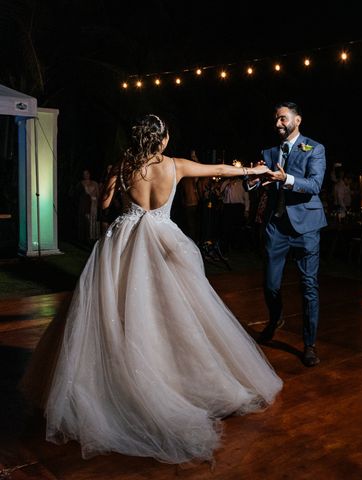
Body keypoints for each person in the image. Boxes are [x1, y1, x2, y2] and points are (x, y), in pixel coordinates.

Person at [20, 114, 281, 465]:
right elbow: (217, 168)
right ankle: (174, 380)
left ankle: (126, 382)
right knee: (171, 314)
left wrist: (114, 177)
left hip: (122, 246)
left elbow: (108, 205)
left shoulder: (124, 165)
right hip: (164, 242)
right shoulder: (176, 165)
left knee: (120, 313)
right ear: (161, 140)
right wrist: (254, 171)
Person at [248, 102, 327, 367]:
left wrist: (287, 179)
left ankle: (309, 344)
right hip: (276, 226)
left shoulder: (315, 148)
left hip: (306, 226)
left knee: (309, 287)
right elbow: (261, 183)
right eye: (276, 120)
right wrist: (252, 179)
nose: (278, 123)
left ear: (297, 120)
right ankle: (276, 316)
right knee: (270, 284)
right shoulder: (269, 152)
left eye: (283, 118)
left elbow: (315, 184)